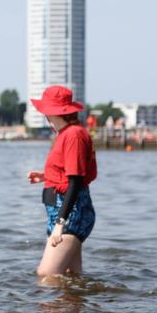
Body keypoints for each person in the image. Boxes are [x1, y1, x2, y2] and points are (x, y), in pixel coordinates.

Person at [27, 85, 97, 280]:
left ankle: (51, 305)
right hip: (63, 213)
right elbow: (69, 172)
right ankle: (79, 302)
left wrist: (60, 224)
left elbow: (75, 181)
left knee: (46, 274)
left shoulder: (73, 135)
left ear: (52, 112)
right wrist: (46, 176)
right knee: (71, 277)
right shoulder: (66, 134)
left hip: (70, 215)